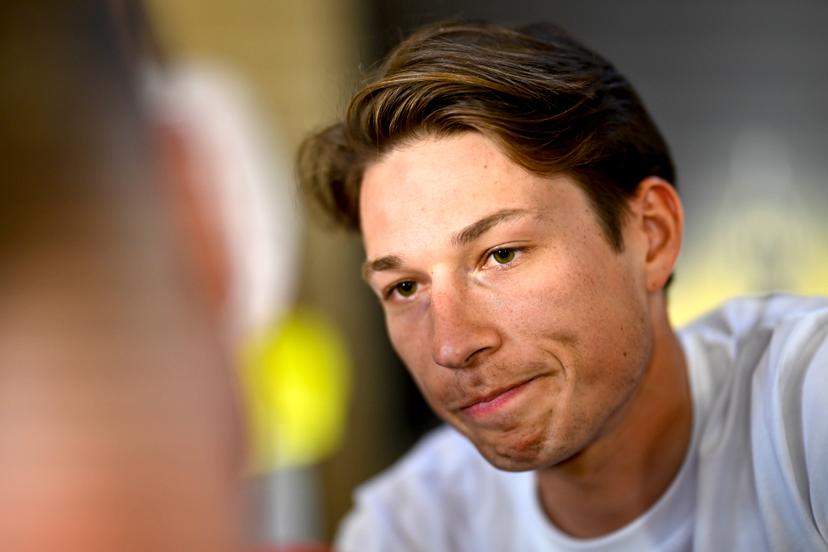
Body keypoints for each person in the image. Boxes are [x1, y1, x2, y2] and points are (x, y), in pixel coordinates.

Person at [297, 21, 828, 551]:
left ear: (652, 235)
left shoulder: (804, 407)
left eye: (501, 255)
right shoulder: (408, 528)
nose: (451, 347)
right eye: (405, 288)